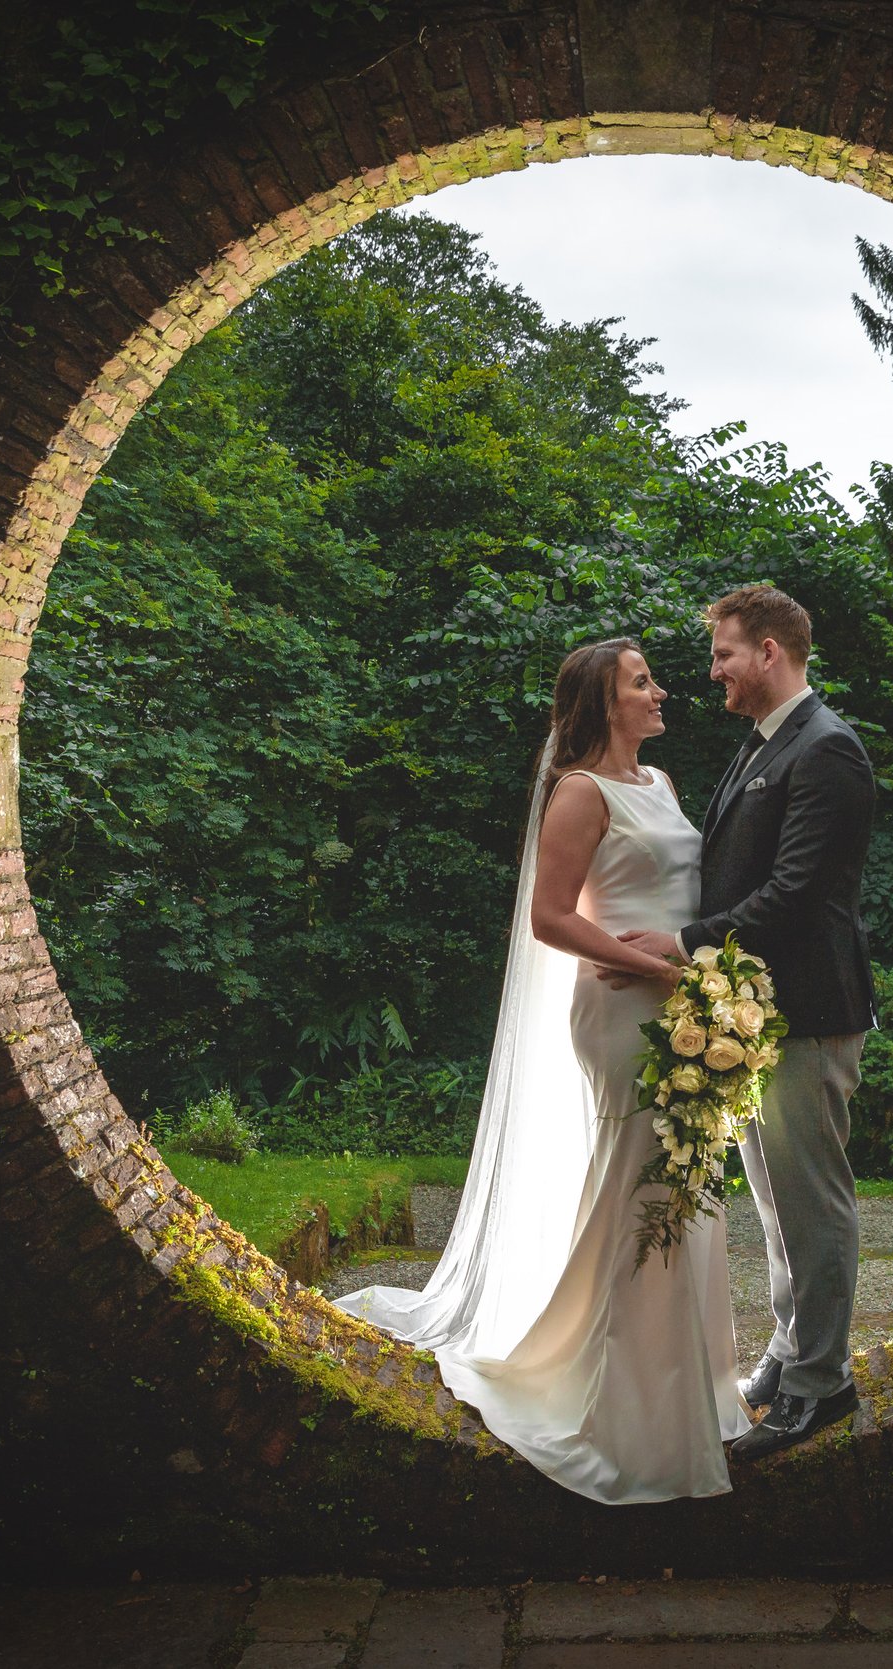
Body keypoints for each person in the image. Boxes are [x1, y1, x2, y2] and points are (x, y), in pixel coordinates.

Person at [335, 637, 750, 1503]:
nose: (662, 690)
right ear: (605, 702)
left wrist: (697, 974)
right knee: (642, 1189)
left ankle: (691, 1396)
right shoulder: (578, 792)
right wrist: (653, 970)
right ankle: (617, 1408)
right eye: (643, 682)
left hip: (683, 999)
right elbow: (550, 917)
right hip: (622, 1008)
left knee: (688, 1192)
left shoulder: (663, 786)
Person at [610, 583, 877, 1462]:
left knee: (811, 1199)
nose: (712, 669)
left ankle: (821, 1386)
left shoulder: (827, 749)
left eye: (725, 652)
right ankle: (788, 1352)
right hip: (760, 1012)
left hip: (807, 1009)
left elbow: (796, 895)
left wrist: (686, 943)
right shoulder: (764, 742)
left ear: (770, 652)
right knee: (773, 1198)